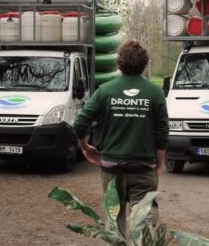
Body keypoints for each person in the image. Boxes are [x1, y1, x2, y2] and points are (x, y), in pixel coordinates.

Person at [72, 40, 169, 238]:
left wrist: (85, 147)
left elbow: (80, 122)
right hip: (143, 168)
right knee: (144, 222)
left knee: (115, 222)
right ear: (145, 64)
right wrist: (159, 164)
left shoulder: (105, 91)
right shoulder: (155, 93)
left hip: (111, 168)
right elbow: (162, 133)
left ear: (119, 63)